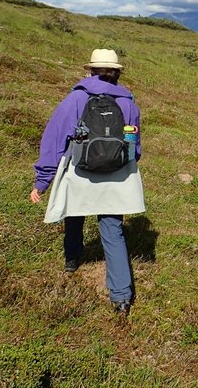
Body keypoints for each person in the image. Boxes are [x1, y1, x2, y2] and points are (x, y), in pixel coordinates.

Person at [31, 48, 145, 317]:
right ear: (116, 72)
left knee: (74, 211)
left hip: (80, 170)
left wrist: (43, 180)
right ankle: (121, 298)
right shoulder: (128, 102)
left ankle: (72, 260)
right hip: (116, 174)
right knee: (113, 230)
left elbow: (55, 138)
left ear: (91, 70)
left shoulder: (77, 98)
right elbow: (135, 146)